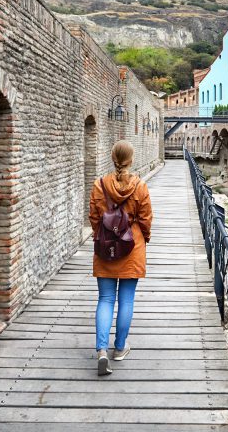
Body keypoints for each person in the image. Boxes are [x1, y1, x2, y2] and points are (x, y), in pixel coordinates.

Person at [88, 140, 153, 376]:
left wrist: (102, 234)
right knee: (126, 299)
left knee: (105, 298)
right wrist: (143, 237)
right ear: (131, 160)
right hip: (131, 247)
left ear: (112, 157)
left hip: (105, 249)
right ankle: (120, 348)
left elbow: (94, 218)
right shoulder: (140, 187)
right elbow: (146, 220)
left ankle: (101, 351)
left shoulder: (99, 186)